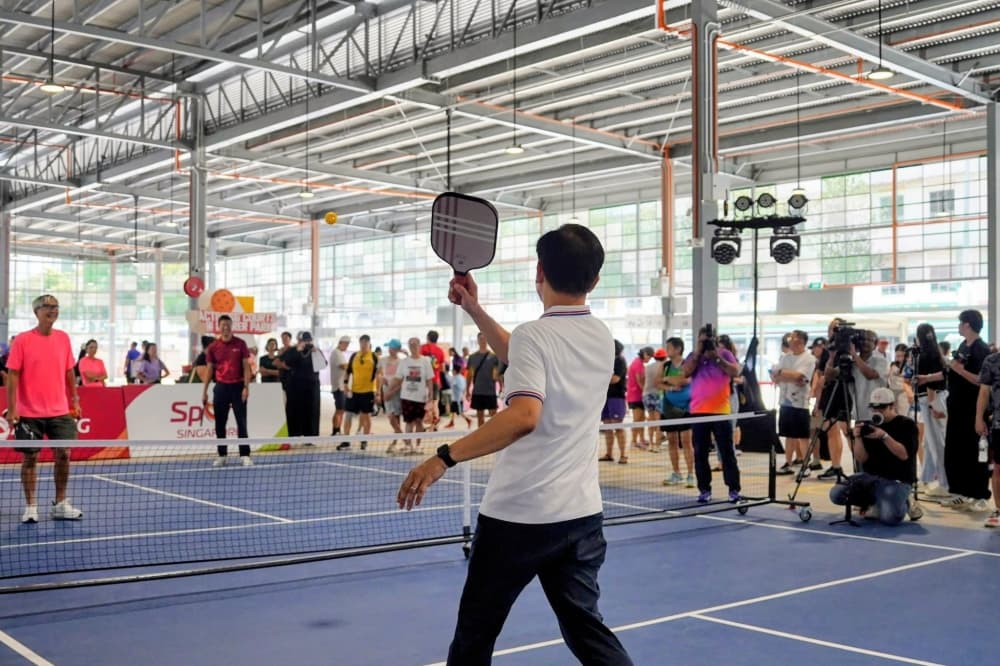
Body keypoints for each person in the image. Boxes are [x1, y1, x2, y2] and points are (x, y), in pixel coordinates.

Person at [396, 223, 633, 666]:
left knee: (474, 636)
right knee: (587, 631)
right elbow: (524, 353)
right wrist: (474, 309)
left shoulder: (535, 335)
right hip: (581, 518)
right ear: (595, 280)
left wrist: (442, 458)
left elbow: (525, 416)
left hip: (517, 520)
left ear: (537, 271)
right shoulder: (600, 335)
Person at [6, 294, 83, 523]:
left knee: (64, 455)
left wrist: (75, 399)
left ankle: (60, 503)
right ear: (36, 312)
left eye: (56, 306)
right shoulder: (22, 340)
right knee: (30, 459)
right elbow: (13, 375)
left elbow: (69, 371)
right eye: (47, 306)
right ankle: (31, 507)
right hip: (29, 412)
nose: (53, 310)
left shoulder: (63, 338)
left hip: (59, 411)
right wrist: (12, 409)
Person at [829, 387, 922, 525]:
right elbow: (862, 458)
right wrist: (858, 438)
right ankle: (875, 503)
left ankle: (905, 501)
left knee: (890, 517)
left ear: (892, 406)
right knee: (836, 494)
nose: (877, 411)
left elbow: (904, 455)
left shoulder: (907, 425)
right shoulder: (868, 426)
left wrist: (884, 436)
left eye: (882, 408)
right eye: (874, 408)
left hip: (897, 479)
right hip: (870, 477)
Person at [683, 324, 742, 503]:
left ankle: (734, 490)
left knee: (727, 452)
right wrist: (699, 353)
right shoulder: (693, 356)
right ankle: (704, 490)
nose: (705, 342)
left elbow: (735, 371)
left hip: (721, 412)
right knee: (700, 453)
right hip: (699, 411)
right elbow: (686, 372)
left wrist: (717, 358)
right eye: (702, 340)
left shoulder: (724, 354)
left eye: (708, 340)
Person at [942, 310, 991, 510]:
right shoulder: (963, 346)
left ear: (968, 324)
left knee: (976, 452)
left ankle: (979, 494)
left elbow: (982, 381)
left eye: (961, 323)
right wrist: (928, 378)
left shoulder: (982, 350)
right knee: (956, 451)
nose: (959, 326)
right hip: (956, 407)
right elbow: (953, 369)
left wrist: (960, 370)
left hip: (973, 408)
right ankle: (960, 491)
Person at [202, 315, 253, 467]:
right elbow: (210, 370)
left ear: (231, 326)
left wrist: (246, 387)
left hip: (238, 387)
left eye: (228, 325)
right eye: (223, 325)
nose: (226, 327)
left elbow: (246, 367)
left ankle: (244, 454)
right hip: (221, 388)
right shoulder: (213, 347)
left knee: (241, 422)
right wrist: (204, 391)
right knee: (220, 423)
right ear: (219, 326)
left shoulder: (241, 344)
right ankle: (222, 455)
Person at [913, 324, 949, 496]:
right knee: (929, 443)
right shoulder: (936, 353)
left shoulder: (926, 356)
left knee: (936, 443)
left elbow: (930, 384)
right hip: (935, 398)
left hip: (931, 398)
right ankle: (927, 478)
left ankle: (945, 483)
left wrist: (932, 405)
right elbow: (941, 375)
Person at [774, 330, 816, 476]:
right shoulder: (786, 357)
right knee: (788, 434)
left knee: (802, 435)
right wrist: (785, 375)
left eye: (793, 338)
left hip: (800, 402)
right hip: (785, 401)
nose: (790, 341)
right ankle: (788, 463)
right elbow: (775, 375)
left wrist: (784, 374)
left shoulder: (809, 359)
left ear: (801, 341)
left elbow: (801, 377)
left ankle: (806, 464)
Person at [661, 338, 694, 487]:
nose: (667, 350)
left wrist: (669, 379)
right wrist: (670, 385)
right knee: (672, 442)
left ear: (678, 348)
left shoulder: (687, 364)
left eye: (669, 347)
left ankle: (690, 474)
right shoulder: (666, 365)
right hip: (668, 409)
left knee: (687, 442)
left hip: (685, 409)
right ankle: (676, 473)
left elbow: (685, 380)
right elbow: (657, 382)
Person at [394, 337, 435, 455]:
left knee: (419, 422)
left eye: (415, 345)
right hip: (406, 397)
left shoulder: (425, 361)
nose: (413, 347)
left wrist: (430, 395)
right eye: (411, 345)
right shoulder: (404, 362)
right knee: (408, 422)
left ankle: (418, 445)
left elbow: (429, 380)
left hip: (421, 397)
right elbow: (398, 379)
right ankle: (408, 445)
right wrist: (388, 391)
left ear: (419, 346)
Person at [339, 334, 379, 451]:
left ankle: (364, 440)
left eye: (365, 343)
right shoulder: (354, 356)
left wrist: (377, 393)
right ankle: (346, 441)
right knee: (348, 416)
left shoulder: (374, 357)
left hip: (368, 391)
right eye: (361, 343)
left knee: (366, 416)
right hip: (354, 391)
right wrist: (346, 384)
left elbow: (379, 374)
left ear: (369, 344)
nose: (363, 345)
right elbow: (348, 372)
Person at [975, 348, 1000, 527]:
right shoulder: (991, 361)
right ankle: (999, 509)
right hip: (999, 423)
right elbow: (983, 392)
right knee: (998, 468)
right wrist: (979, 418)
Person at [281, 331, 322, 438]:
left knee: (312, 410)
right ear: (299, 341)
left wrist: (316, 352)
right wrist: (298, 350)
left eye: (308, 340)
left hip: (312, 385)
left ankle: (311, 434)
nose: (307, 343)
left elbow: (323, 364)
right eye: (304, 340)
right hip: (296, 385)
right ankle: (295, 433)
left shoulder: (316, 350)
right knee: (295, 409)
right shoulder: (293, 350)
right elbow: (286, 363)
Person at [600, 340, 628, 464]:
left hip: (616, 397)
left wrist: (600, 378)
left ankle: (623, 455)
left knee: (618, 427)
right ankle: (609, 453)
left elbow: (615, 379)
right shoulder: (606, 362)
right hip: (604, 397)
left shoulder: (620, 361)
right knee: (607, 427)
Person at [467, 332, 500, 427]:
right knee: (480, 418)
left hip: (490, 391)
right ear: (477, 341)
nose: (483, 341)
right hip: (478, 391)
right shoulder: (472, 357)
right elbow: (469, 375)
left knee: (494, 417)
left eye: (485, 338)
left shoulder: (494, 357)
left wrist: (501, 385)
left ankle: (495, 437)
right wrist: (467, 390)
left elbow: (498, 374)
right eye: (481, 339)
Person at [380, 339, 405, 452]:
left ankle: (397, 442)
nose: (390, 350)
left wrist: (393, 391)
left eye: (393, 348)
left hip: (396, 392)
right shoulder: (383, 360)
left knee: (396, 417)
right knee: (391, 417)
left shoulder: (401, 362)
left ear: (397, 350)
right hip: (386, 391)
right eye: (389, 348)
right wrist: (381, 380)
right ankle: (404, 440)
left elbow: (402, 380)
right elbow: (379, 374)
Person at [626, 347, 653, 450]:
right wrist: (646, 391)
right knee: (637, 419)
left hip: (637, 395)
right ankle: (633, 441)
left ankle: (641, 439)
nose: (649, 360)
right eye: (649, 357)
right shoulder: (637, 363)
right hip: (635, 395)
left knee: (641, 418)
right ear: (645, 354)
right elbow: (639, 381)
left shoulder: (638, 362)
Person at [643, 348, 667, 452]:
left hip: (647, 394)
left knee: (651, 420)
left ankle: (651, 445)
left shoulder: (647, 367)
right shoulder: (664, 367)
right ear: (665, 357)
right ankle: (657, 445)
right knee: (658, 421)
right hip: (658, 394)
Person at [330, 336, 350, 436]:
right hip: (338, 386)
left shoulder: (339, 353)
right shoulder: (336, 353)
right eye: (346, 344)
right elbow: (343, 366)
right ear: (340, 343)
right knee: (340, 410)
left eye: (348, 344)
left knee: (340, 410)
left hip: (340, 386)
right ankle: (336, 430)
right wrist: (352, 365)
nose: (347, 346)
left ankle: (336, 430)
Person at [446, 365, 472, 429]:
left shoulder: (456, 378)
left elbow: (453, 385)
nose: (452, 371)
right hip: (457, 397)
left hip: (457, 398)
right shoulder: (462, 377)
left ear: (455, 371)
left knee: (460, 412)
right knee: (453, 411)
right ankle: (451, 422)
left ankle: (468, 420)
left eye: (453, 370)